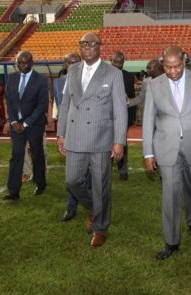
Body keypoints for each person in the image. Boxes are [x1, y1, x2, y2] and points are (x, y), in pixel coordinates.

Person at [143, 45, 191, 260]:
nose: (173, 71)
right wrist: (148, 153)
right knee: (171, 194)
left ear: (184, 62)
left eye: (176, 66)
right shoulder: (154, 85)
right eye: (168, 67)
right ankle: (171, 241)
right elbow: (148, 120)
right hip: (166, 148)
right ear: (162, 64)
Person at [57, 32, 127, 248]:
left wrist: (119, 141)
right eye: (83, 43)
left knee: (101, 186)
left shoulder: (113, 74)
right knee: (72, 181)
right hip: (75, 136)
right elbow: (66, 104)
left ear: (99, 47)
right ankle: (95, 208)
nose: (87, 47)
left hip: (101, 139)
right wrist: (61, 133)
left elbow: (120, 110)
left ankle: (100, 228)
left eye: (92, 43)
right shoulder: (73, 70)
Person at [3, 51, 48, 200]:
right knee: (16, 155)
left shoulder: (41, 80)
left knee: (37, 154)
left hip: (34, 125)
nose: (22, 65)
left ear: (32, 62)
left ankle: (40, 184)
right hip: (16, 126)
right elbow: (9, 101)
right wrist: (14, 122)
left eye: (25, 62)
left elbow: (42, 106)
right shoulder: (12, 78)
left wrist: (26, 123)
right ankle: (13, 190)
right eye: (19, 63)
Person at [53, 52, 84, 222]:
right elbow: (60, 110)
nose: (72, 64)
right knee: (72, 176)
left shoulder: (86, 81)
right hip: (69, 135)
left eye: (76, 61)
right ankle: (71, 207)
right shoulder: (57, 83)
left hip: (88, 134)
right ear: (64, 65)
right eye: (69, 62)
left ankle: (94, 207)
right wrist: (60, 135)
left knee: (90, 174)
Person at [111, 51, 136, 181]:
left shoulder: (128, 76)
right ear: (111, 60)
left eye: (120, 63)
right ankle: (106, 169)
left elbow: (131, 96)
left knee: (121, 142)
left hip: (122, 115)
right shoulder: (103, 74)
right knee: (106, 142)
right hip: (107, 116)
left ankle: (123, 170)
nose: (118, 65)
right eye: (115, 62)